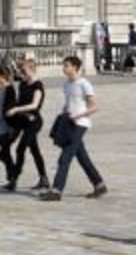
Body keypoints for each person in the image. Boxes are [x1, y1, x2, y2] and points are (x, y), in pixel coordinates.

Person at [40, 55, 107, 201]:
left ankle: (57, 190)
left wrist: (78, 116)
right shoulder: (66, 84)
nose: (64, 68)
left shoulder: (84, 84)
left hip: (81, 124)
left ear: (75, 67)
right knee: (82, 157)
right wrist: (63, 113)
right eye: (64, 66)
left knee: (65, 157)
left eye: (66, 66)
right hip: (69, 123)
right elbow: (69, 103)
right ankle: (99, 184)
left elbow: (94, 107)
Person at [5, 56, 50, 191]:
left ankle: (13, 180)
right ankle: (44, 179)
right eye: (21, 72)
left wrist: (16, 109)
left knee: (20, 148)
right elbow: (19, 100)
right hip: (22, 121)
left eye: (24, 72)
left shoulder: (38, 86)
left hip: (34, 121)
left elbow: (34, 105)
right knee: (34, 150)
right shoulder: (23, 83)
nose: (22, 74)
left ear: (32, 70)